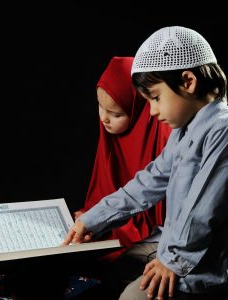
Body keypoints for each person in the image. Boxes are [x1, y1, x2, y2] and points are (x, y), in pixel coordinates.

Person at [63, 26, 228, 300]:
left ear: (188, 82)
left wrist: (172, 261)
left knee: (129, 297)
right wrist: (92, 220)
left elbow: (202, 211)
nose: (153, 111)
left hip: (201, 273)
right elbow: (148, 182)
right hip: (177, 249)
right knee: (110, 272)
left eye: (156, 98)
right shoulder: (185, 131)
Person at [73, 56, 171, 261]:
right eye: (100, 106)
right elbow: (107, 184)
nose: (104, 118)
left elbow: (149, 192)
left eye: (116, 114)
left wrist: (101, 221)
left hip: (159, 233)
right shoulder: (109, 130)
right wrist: (94, 213)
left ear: (140, 107)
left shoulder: (160, 133)